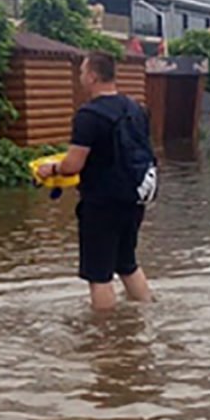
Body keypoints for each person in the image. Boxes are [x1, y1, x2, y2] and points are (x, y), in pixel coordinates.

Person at [38, 51, 154, 310]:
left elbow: (73, 165)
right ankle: (148, 311)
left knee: (98, 275)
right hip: (134, 197)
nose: (80, 77)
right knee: (127, 264)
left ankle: (104, 339)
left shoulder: (88, 115)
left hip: (102, 203)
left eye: (82, 72)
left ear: (92, 76)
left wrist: (51, 168)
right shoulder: (136, 109)